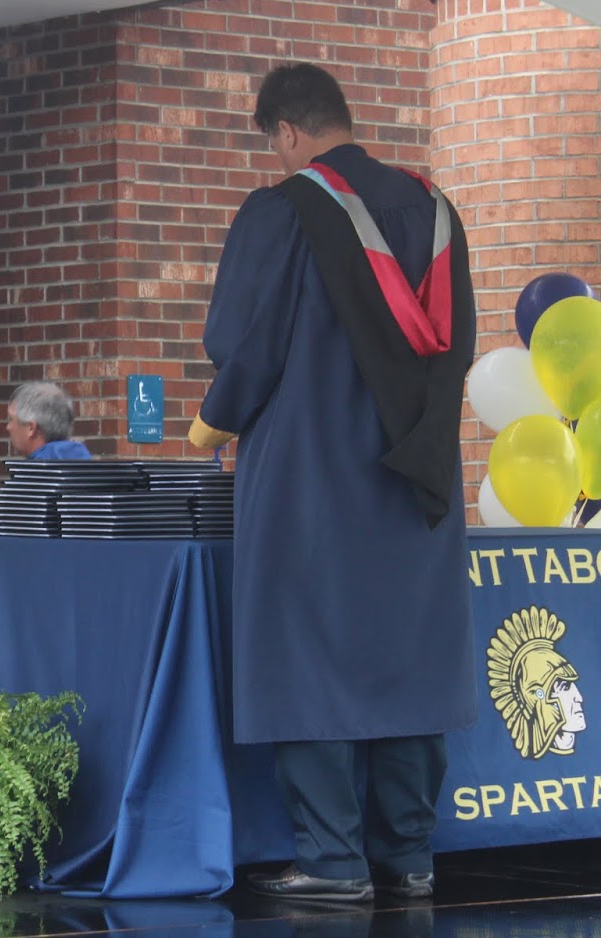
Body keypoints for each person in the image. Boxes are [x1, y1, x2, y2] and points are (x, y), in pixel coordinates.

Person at [189, 63, 476, 903]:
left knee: (307, 648)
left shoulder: (284, 212)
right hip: (418, 474)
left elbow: (245, 344)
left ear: (284, 132)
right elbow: (453, 344)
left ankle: (332, 860)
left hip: (311, 474)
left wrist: (213, 422)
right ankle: (409, 855)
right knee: (410, 653)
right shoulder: (434, 210)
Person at [5, 381, 90, 460]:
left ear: (31, 428)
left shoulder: (35, 473)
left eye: (11, 419)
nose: (8, 427)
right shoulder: (88, 469)